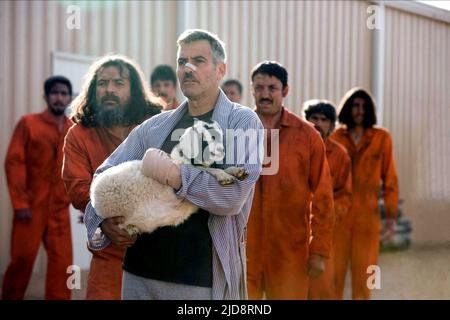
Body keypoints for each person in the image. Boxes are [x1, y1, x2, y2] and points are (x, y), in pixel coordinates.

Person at [84, 29, 263, 300]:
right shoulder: (154, 127)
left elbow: (231, 197)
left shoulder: (242, 124)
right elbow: (104, 173)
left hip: (199, 282)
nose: (187, 69)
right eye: (182, 62)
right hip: (138, 276)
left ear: (220, 70)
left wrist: (177, 175)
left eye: (198, 60)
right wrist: (102, 220)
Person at [62, 55, 161, 299]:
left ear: (134, 89)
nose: (109, 90)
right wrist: (104, 220)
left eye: (118, 83)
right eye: (102, 83)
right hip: (109, 248)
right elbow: (78, 188)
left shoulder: (156, 125)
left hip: (160, 246)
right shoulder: (78, 134)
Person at [246, 61, 335, 299]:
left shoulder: (307, 136)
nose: (265, 94)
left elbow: (323, 196)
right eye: (259, 87)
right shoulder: (237, 131)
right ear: (251, 89)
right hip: (243, 250)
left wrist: (319, 250)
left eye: (272, 88)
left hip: (289, 251)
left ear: (285, 91)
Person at [3, 76, 74, 300]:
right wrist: (20, 202)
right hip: (30, 207)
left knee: (63, 264)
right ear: (46, 97)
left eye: (64, 93)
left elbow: (80, 168)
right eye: (54, 93)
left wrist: (83, 201)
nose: (59, 97)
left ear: (70, 98)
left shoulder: (74, 130)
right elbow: (14, 163)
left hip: (59, 209)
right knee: (22, 260)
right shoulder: (28, 124)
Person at [331, 87, 399, 299]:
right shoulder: (335, 137)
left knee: (366, 276)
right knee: (335, 277)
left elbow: (390, 180)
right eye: (355, 105)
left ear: (369, 109)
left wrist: (390, 217)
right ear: (347, 109)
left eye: (363, 105)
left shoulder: (381, 138)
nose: (359, 110)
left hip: (368, 219)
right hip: (339, 217)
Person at [304, 99, 352, 300]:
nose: (318, 123)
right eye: (314, 118)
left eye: (324, 120)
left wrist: (330, 215)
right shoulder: (293, 149)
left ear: (333, 126)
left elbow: (345, 196)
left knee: (323, 288)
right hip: (293, 229)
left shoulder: (340, 155)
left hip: (324, 232)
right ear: (305, 121)